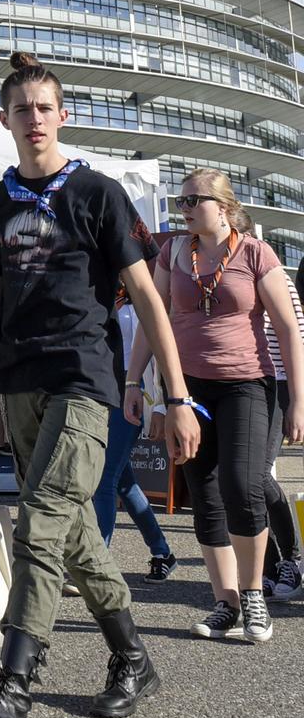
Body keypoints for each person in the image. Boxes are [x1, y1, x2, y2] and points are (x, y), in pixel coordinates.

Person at [0, 52, 201, 718]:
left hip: (85, 379)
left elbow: (147, 296)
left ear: (64, 115)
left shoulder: (97, 192)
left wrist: (174, 396)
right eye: (21, 109)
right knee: (76, 538)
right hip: (17, 383)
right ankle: (133, 658)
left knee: (43, 522)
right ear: (5, 120)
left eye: (44, 108)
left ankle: (14, 689)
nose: (33, 120)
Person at [125, 170, 304, 644]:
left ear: (222, 206)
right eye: (180, 202)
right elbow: (153, 316)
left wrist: (299, 403)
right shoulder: (172, 253)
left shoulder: (255, 253)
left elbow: (288, 329)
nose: (183, 210)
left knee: (242, 485)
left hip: (247, 384)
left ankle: (253, 594)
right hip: (188, 390)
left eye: (192, 201)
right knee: (203, 493)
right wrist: (135, 381)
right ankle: (225, 602)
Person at [91, 290, 176, 580]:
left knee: (104, 480)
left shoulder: (142, 298)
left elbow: (162, 354)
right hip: (98, 393)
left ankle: (96, 564)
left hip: (134, 394)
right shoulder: (94, 295)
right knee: (124, 483)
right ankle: (162, 551)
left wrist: (163, 407)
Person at [262, 279, 304, 598]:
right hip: (231, 383)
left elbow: (296, 333)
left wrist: (298, 402)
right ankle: (269, 565)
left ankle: (291, 558)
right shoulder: (200, 267)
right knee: (235, 481)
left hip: (277, 382)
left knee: (257, 474)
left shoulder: (270, 270)